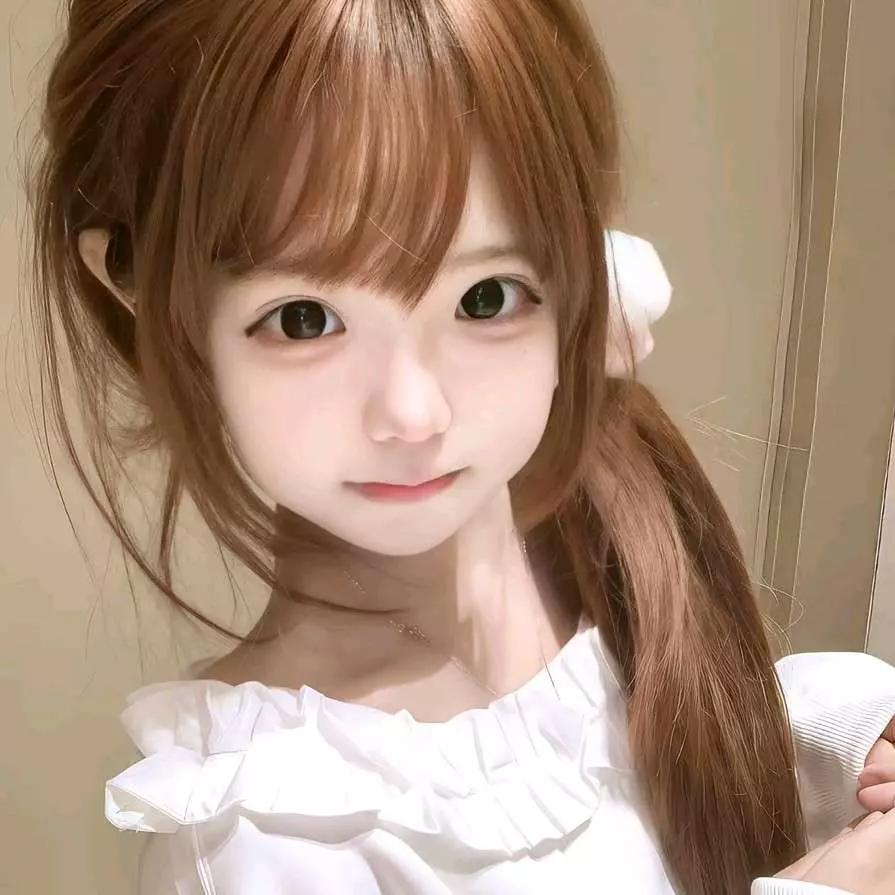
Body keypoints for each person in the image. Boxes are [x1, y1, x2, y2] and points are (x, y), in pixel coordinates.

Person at [27, 0, 895, 892]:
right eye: (303, 318)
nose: (414, 414)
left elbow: (640, 787)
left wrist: (835, 747)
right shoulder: (265, 844)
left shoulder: (586, 533)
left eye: (485, 297)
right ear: (138, 285)